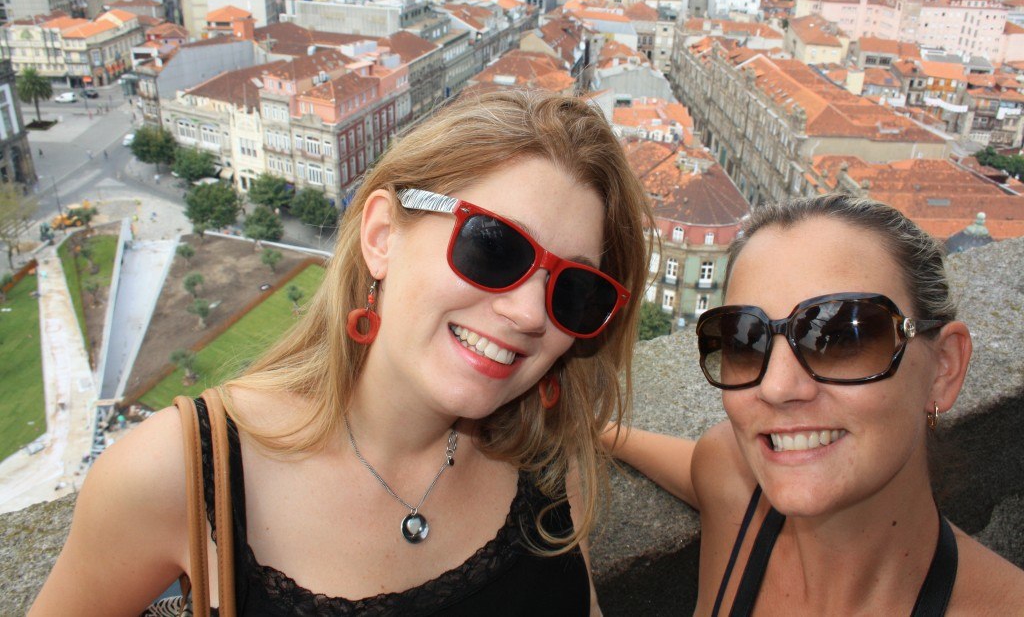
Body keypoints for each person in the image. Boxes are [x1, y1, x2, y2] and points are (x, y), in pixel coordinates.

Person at [31, 91, 653, 615]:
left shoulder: (548, 459)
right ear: (382, 236)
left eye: (574, 290)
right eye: (494, 247)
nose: (526, 313)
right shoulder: (177, 473)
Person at [603, 195, 1024, 615]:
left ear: (943, 368)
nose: (777, 387)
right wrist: (596, 431)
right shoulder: (731, 480)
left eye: (843, 338)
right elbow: (701, 468)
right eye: (745, 340)